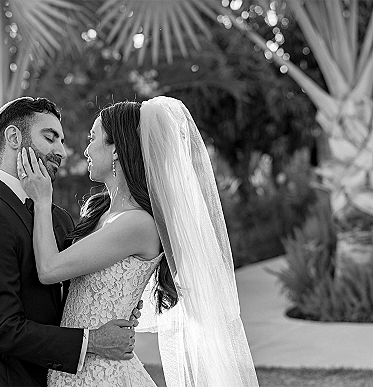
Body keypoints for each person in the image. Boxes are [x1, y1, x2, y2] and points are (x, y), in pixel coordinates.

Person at [18, 97, 259, 386]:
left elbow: (49, 269)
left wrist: (42, 200)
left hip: (102, 375)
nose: (86, 150)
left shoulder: (138, 223)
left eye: (93, 138)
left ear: (117, 149)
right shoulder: (101, 213)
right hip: (75, 366)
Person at [0, 97, 142, 387]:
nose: (61, 151)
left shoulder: (60, 218)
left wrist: (119, 303)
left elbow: (75, 293)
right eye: (50, 137)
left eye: (61, 140)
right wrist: (93, 341)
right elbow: (3, 330)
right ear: (15, 138)